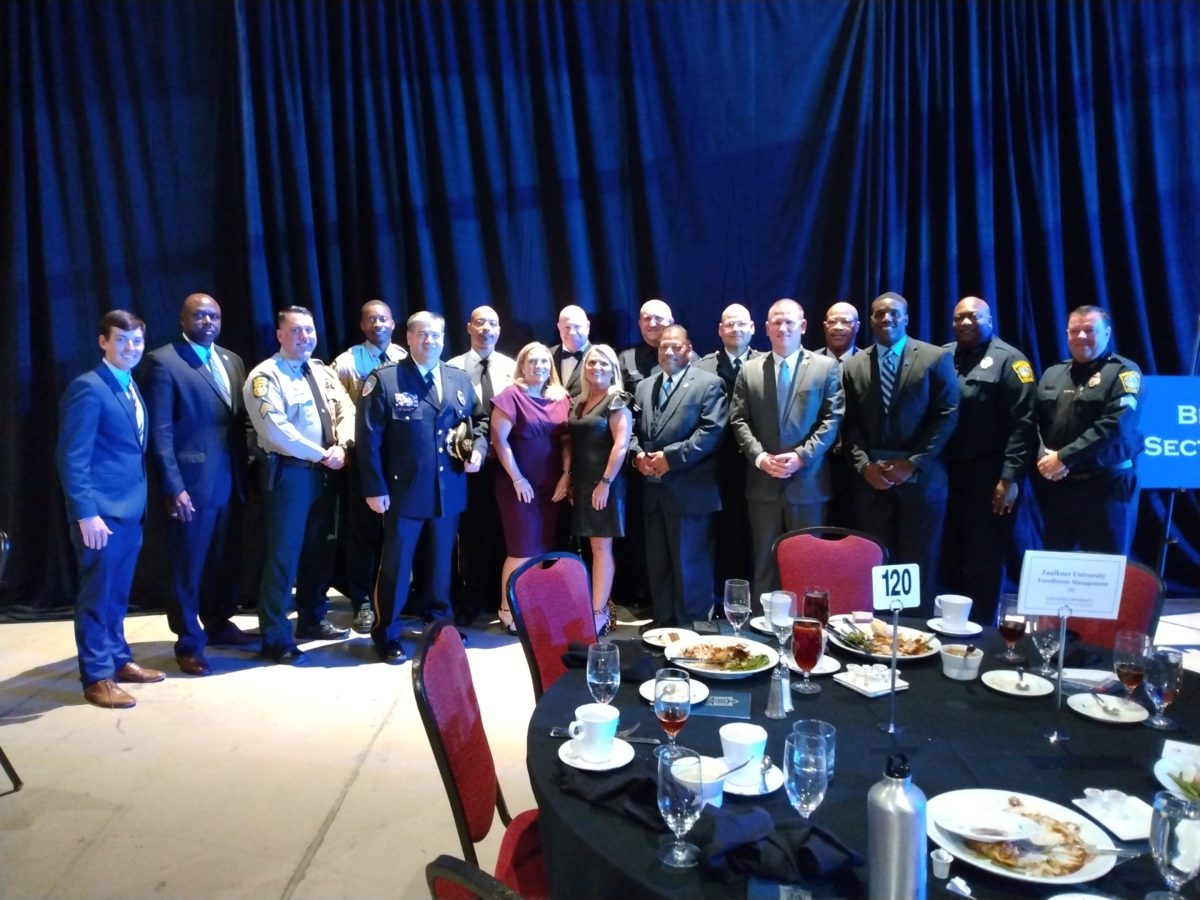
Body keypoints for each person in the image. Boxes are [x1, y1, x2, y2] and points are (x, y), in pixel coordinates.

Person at [357, 311, 484, 663]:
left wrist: (480, 449)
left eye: (437, 335)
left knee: (441, 564)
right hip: (403, 491)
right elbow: (368, 438)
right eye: (423, 335)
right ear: (409, 338)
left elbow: (480, 420)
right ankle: (387, 632)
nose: (430, 341)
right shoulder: (386, 380)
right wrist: (374, 487)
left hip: (448, 490)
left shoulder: (457, 379)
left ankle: (438, 624)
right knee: (397, 567)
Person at [57, 310, 165, 708]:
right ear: (103, 342)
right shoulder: (88, 388)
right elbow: (72, 457)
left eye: (136, 340)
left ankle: (119, 660)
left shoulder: (130, 385)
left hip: (130, 511)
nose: (131, 348)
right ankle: (97, 675)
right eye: (122, 339)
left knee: (118, 595)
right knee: (97, 597)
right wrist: (86, 513)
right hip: (99, 516)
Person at [143, 293, 254, 677]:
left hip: (232, 481)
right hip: (191, 486)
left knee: (225, 561)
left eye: (214, 316)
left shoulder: (232, 360)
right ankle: (189, 642)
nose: (208, 321)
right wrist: (173, 486)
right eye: (200, 315)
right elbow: (159, 432)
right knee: (187, 568)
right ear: (183, 319)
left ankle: (220, 623)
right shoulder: (164, 361)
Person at [244, 307, 356, 664]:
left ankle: (312, 618)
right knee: (284, 556)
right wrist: (322, 453)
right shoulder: (265, 376)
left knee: (319, 551)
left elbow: (347, 410)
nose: (305, 337)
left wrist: (344, 445)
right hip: (290, 475)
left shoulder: (322, 372)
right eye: (296, 331)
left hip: (327, 471)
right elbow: (275, 429)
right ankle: (275, 637)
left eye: (309, 331)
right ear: (280, 335)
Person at [841, 292, 959, 612]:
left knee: (917, 566)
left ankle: (915, 640)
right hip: (871, 483)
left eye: (894, 314)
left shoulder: (935, 358)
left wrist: (913, 463)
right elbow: (848, 423)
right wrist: (864, 466)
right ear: (871, 321)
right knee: (874, 562)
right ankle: (876, 636)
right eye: (879, 314)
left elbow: (947, 415)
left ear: (906, 318)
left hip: (921, 481)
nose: (887, 319)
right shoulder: (853, 365)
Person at [729, 299, 844, 599]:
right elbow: (739, 419)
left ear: (802, 326)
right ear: (766, 329)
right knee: (764, 563)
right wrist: (760, 457)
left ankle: (807, 633)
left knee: (808, 563)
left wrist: (802, 455)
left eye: (789, 322)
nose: (782, 328)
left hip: (809, 484)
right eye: (776, 322)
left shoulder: (825, 368)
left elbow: (832, 419)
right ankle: (760, 634)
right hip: (763, 484)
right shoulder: (749, 370)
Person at [940, 297, 1036, 625]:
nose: (965, 323)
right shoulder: (944, 356)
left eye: (973, 317)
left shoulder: (1011, 362)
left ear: (989, 320)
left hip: (989, 476)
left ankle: (981, 631)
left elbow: (1023, 426)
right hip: (945, 473)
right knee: (948, 554)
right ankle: (947, 628)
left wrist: (1010, 479)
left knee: (983, 559)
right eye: (959, 318)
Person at [630, 325, 728, 626]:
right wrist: (636, 458)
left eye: (675, 346)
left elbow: (712, 431)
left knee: (690, 566)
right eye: (663, 347)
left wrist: (670, 459)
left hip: (691, 493)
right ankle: (663, 628)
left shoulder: (710, 384)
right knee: (658, 565)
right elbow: (630, 430)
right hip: (654, 492)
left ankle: (693, 632)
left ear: (689, 349)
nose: (668, 352)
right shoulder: (645, 386)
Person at [1035, 305, 1143, 555]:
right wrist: (1043, 455)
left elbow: (1116, 425)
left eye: (1089, 330)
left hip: (1106, 487)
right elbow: (1035, 421)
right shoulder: (1053, 373)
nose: (1081, 337)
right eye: (1075, 331)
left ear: (1107, 333)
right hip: (1059, 487)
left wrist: (1063, 457)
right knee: (1056, 568)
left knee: (1104, 571)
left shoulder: (1124, 372)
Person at [332, 300, 408, 634]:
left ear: (393, 324)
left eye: (383, 319)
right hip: (364, 462)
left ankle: (395, 598)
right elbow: (337, 408)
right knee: (362, 534)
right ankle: (362, 599)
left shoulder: (405, 358)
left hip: (401, 463)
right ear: (362, 326)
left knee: (397, 535)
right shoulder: (347, 363)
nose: (377, 324)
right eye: (370, 320)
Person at [490, 342, 572, 633]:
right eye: (532, 361)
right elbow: (499, 440)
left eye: (544, 361)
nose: (539, 366)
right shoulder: (511, 395)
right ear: (522, 366)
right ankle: (506, 608)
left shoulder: (561, 398)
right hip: (518, 485)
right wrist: (517, 478)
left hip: (551, 484)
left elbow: (566, 441)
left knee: (543, 551)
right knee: (521, 550)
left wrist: (566, 474)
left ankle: (532, 608)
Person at [446, 305, 516, 626]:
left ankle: (499, 597)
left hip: (506, 464)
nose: (487, 328)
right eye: (480, 323)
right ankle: (470, 599)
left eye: (493, 323)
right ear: (469, 327)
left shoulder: (512, 368)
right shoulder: (452, 368)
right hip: (468, 465)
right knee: (471, 534)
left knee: (505, 531)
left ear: (499, 330)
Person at [695, 303, 763, 597]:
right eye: (729, 324)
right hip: (713, 466)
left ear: (752, 328)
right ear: (719, 330)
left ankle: (750, 599)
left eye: (741, 324)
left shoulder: (767, 363)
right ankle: (718, 600)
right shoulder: (701, 368)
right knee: (716, 535)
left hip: (757, 465)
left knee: (753, 534)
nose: (735, 329)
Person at [567, 344, 633, 636]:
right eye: (592, 363)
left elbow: (621, 444)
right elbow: (569, 441)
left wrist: (604, 483)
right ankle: (596, 606)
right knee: (590, 547)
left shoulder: (616, 400)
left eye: (604, 364)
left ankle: (598, 613)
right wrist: (569, 478)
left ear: (613, 369)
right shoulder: (580, 401)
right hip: (582, 482)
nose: (597, 368)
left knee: (600, 547)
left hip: (605, 483)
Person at [814, 301, 862, 527]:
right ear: (824, 326)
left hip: (858, 465)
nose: (838, 326)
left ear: (857, 326)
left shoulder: (869, 363)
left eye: (845, 321)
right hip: (816, 463)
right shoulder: (808, 364)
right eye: (833, 321)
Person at [549, 305, 592, 398]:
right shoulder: (546, 357)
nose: (572, 332)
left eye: (577, 326)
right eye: (567, 327)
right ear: (559, 327)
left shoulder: (602, 359)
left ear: (587, 327)